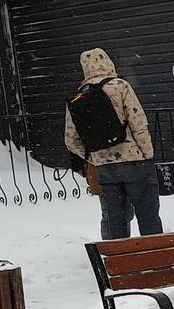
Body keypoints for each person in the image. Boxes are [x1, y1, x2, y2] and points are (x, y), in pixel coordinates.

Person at [65, 47, 162, 240]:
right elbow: (138, 123)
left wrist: (92, 156)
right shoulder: (121, 86)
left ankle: (119, 264)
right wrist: (147, 154)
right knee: (147, 215)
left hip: (105, 168)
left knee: (115, 219)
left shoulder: (79, 96)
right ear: (108, 62)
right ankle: (154, 260)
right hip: (135, 162)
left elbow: (70, 139)